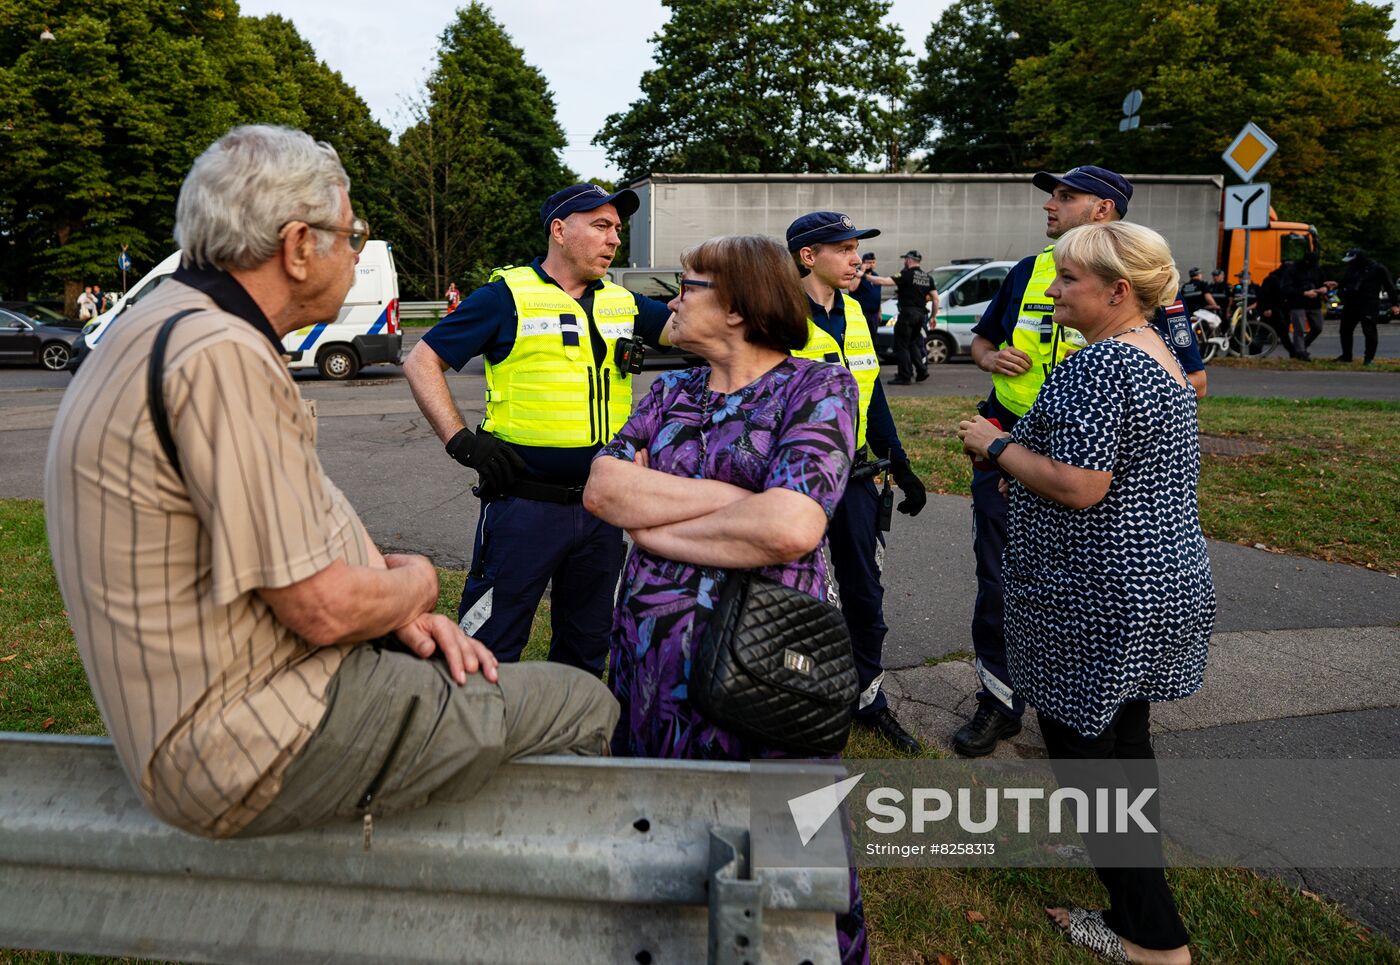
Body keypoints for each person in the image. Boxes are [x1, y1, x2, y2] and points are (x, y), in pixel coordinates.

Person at [43, 125, 617, 840]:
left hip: (227, 708)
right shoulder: (220, 355)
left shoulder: (168, 326)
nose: (356, 253)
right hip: (257, 739)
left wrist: (400, 618)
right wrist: (414, 588)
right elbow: (321, 607)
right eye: (352, 235)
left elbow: (293, 523)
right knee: (584, 698)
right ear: (296, 247)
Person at [583, 233, 868, 963]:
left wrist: (656, 531)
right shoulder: (670, 391)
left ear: (737, 307)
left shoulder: (818, 386)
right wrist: (739, 498)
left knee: (797, 874)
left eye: (689, 285)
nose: (674, 299)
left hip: (768, 671)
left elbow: (791, 523)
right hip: (652, 677)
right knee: (665, 858)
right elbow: (604, 487)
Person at [959, 221, 1210, 965]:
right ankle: (1135, 875)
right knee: (1124, 742)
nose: (1055, 288)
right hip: (1159, 580)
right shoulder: (1160, 352)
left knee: (1083, 756)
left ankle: (1153, 938)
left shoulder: (1100, 366)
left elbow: (1078, 485)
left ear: (1117, 290)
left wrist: (994, 444)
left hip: (1096, 592)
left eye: (1069, 279)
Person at [403, 183, 673, 676]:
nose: (614, 239)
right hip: (523, 506)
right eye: (600, 226)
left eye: (617, 229)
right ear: (559, 230)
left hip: (601, 509)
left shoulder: (623, 304)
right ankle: (479, 744)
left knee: (589, 647)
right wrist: (461, 442)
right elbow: (422, 360)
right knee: (488, 645)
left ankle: (570, 746)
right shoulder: (505, 297)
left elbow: (692, 332)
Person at [955, 165, 1131, 758]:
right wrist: (989, 360)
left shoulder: (1139, 279)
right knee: (1000, 580)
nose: (1050, 206)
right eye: (1051, 196)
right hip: (1005, 447)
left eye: (1065, 196)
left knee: (1087, 586)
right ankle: (1000, 702)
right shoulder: (1029, 271)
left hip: (1086, 467)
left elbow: (1192, 381)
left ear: (1103, 209)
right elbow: (981, 342)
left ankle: (1102, 707)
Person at [786, 212, 928, 752]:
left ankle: (867, 698)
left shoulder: (855, 310)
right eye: (843, 249)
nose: (856, 259)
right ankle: (801, 699)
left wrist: (900, 461)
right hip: (795, 486)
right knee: (799, 598)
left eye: (856, 249)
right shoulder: (777, 315)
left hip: (857, 482)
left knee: (865, 595)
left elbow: (873, 396)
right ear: (807, 256)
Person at [1335, 248, 1400, 364]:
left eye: (1351, 260)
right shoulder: (1351, 268)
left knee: (1369, 331)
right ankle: (1346, 356)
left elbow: (1389, 286)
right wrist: (1339, 290)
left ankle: (1369, 358)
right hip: (1351, 304)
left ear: (1359, 258)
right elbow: (1344, 283)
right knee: (1345, 330)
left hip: (1369, 304)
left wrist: (1395, 304)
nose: (1349, 262)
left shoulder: (1378, 268)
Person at [888, 250, 937, 385]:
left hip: (907, 314)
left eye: (905, 259)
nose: (904, 262)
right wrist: (933, 317)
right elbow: (936, 299)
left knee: (901, 346)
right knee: (913, 343)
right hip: (921, 315)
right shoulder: (927, 277)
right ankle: (922, 371)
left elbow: (885, 281)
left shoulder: (906, 274)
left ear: (909, 260)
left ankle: (904, 376)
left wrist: (864, 276)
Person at [847, 251, 895, 332]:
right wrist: (861, 272)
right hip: (860, 313)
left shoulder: (875, 276)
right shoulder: (856, 273)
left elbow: (877, 295)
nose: (871, 264)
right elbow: (851, 288)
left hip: (874, 315)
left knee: (872, 339)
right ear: (863, 263)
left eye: (873, 262)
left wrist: (879, 312)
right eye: (868, 262)